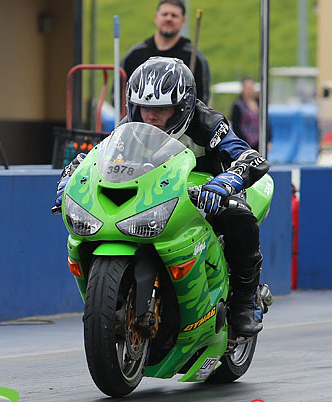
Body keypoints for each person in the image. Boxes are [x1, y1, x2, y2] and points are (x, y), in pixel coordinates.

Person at [55, 57, 268, 336]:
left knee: (239, 216)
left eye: (162, 109)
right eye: (144, 108)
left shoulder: (208, 124)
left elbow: (250, 156)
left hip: (209, 192)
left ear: (183, 107)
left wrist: (226, 182)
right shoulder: (129, 127)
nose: (150, 117)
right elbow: (98, 158)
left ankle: (245, 301)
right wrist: (72, 179)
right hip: (160, 192)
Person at [121, 0, 210, 104]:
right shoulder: (135, 54)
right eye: (164, 14)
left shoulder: (194, 57)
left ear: (183, 21)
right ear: (156, 17)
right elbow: (119, 94)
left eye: (174, 15)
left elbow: (202, 99)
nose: (168, 18)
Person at [230, 77, 271, 152]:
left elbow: (266, 121)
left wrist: (268, 139)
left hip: (260, 142)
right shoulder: (238, 105)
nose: (250, 90)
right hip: (246, 144)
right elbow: (236, 127)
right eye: (247, 88)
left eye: (251, 87)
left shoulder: (259, 102)